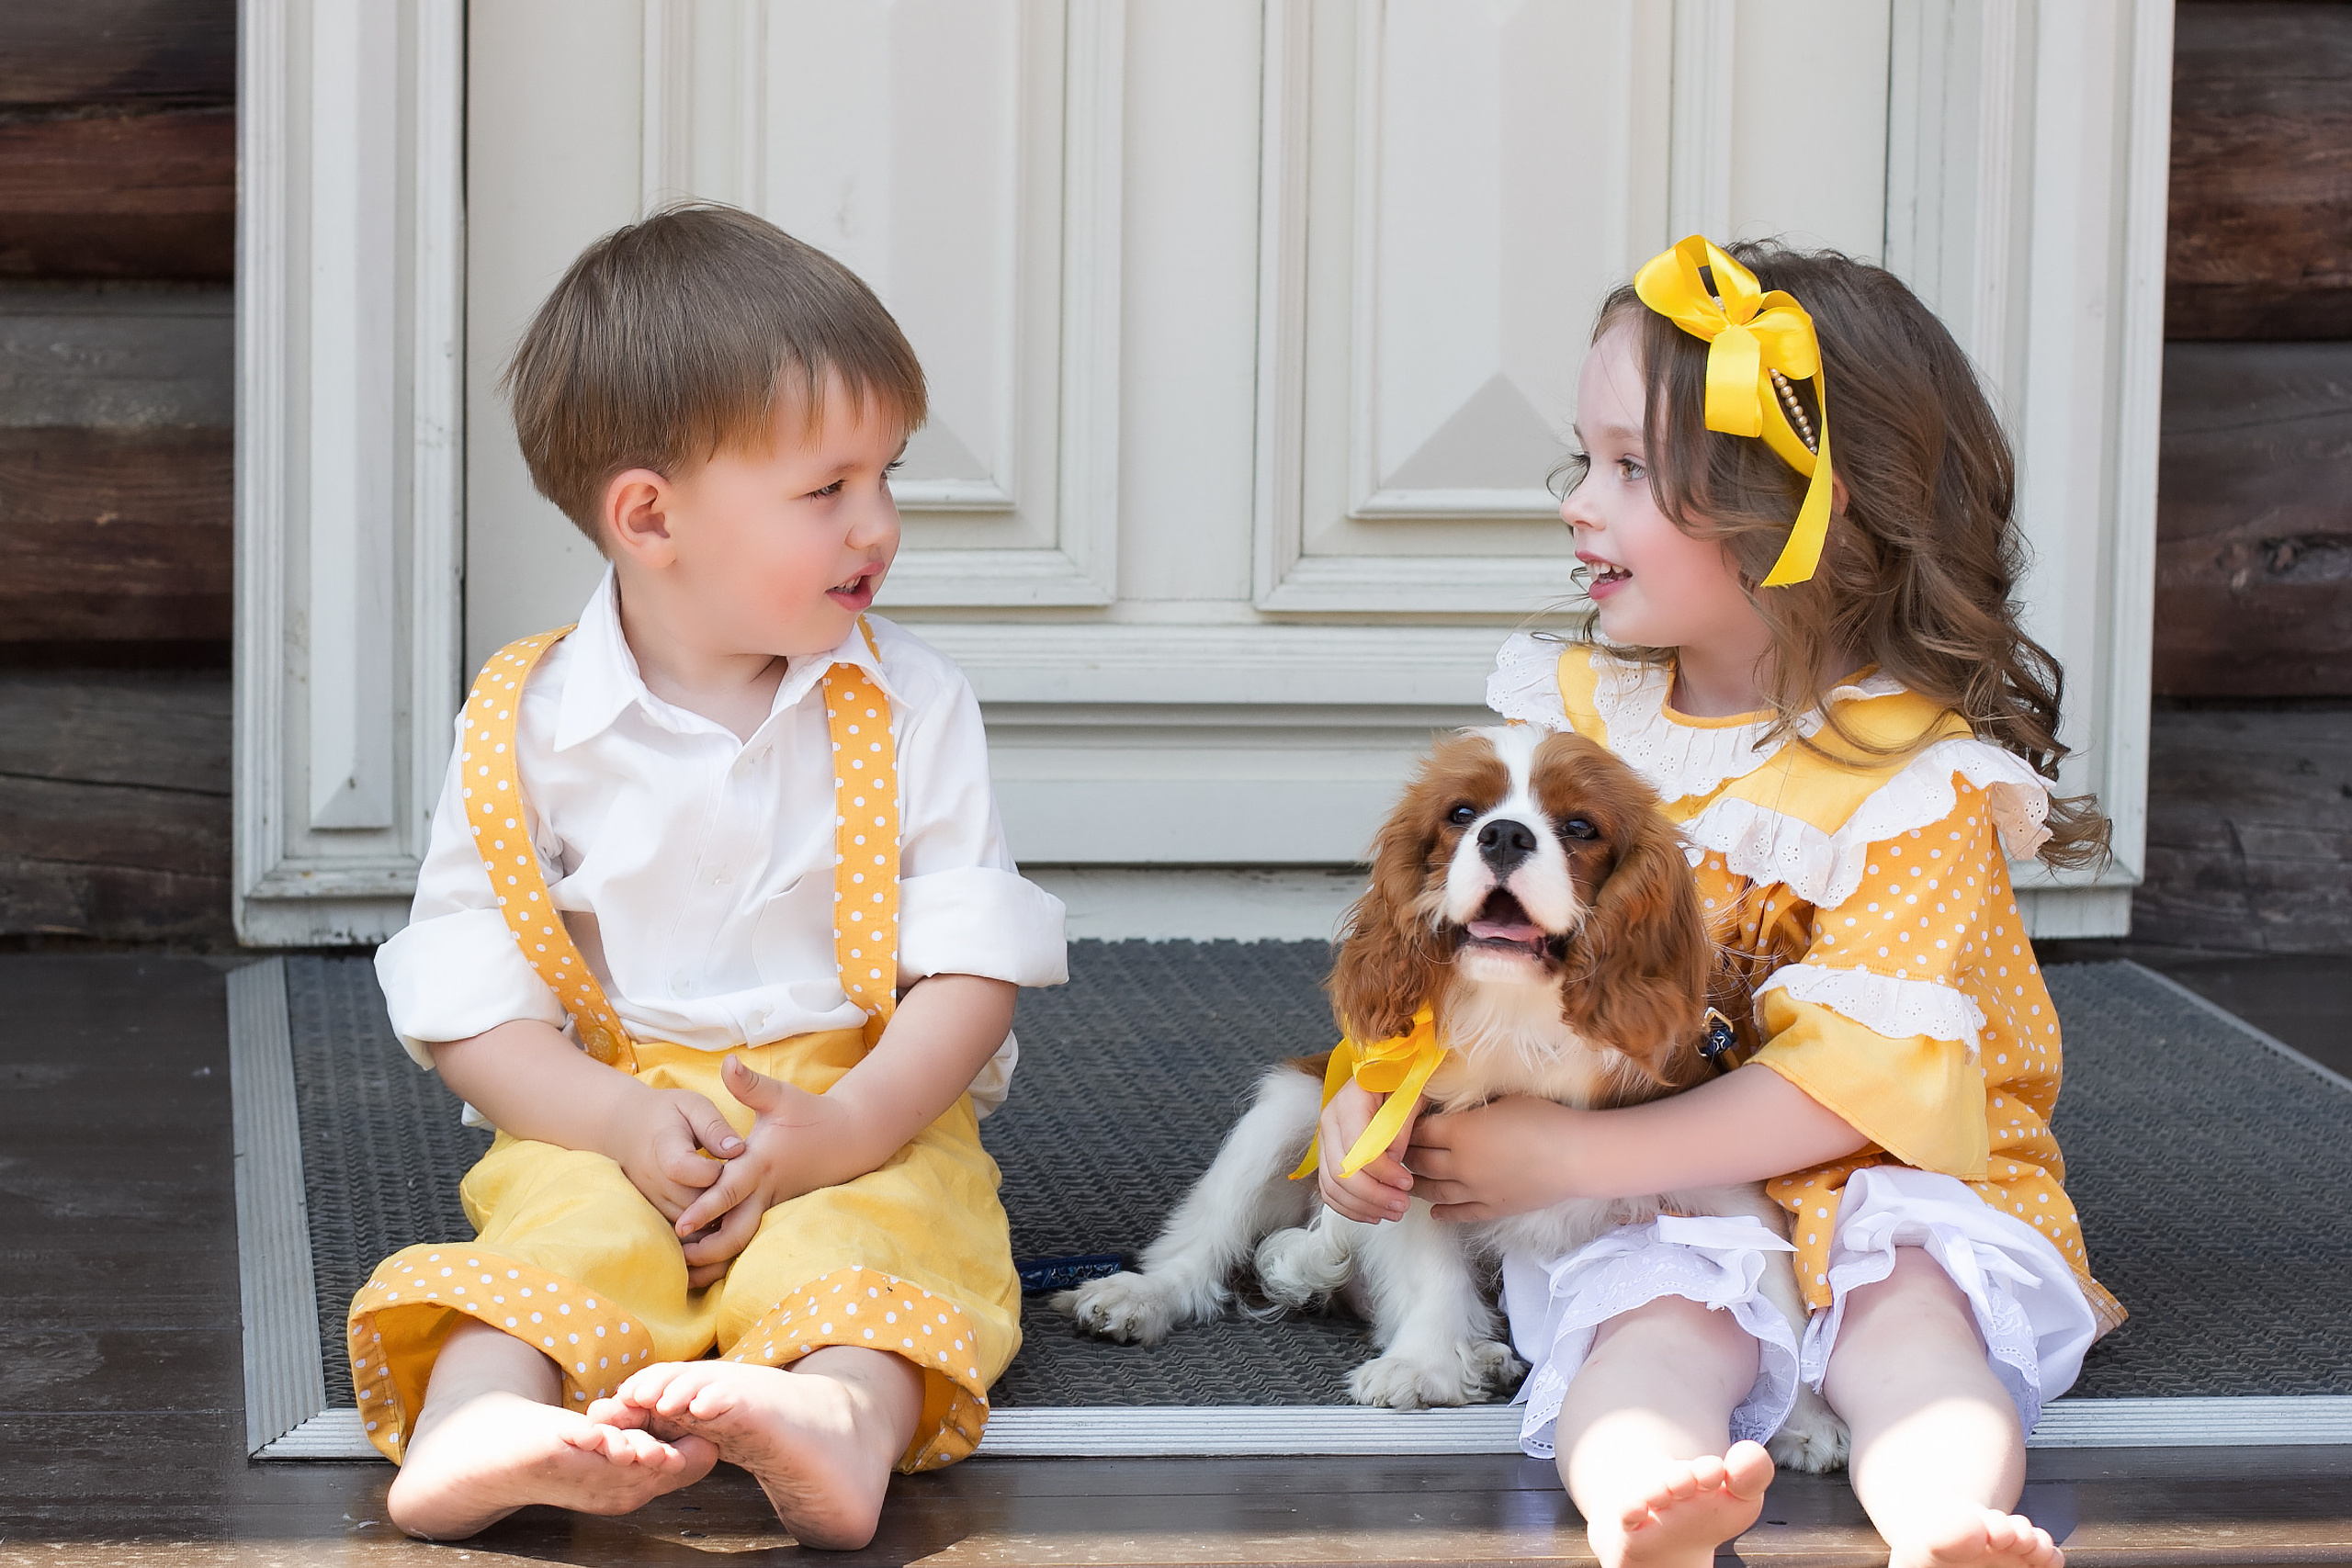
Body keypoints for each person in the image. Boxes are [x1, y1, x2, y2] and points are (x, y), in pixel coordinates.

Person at [1317, 237, 2120, 1568]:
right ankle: (1653, 1504)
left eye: (1631, 471)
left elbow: (1857, 1085)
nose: (1581, 502)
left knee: (1910, 1317)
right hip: (1664, 1199)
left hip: (1884, 1178)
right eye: (1586, 461)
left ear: (1812, 511)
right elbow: (1449, 947)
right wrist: (1372, 1094)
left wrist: (1573, 1159)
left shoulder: (1912, 780)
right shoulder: (1577, 723)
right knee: (1648, 1332)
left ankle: (1945, 1518)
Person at [349, 205, 1067, 1549]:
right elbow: (468, 1002)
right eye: (828, 491)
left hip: (854, 1095)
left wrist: (847, 1129)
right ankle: (480, 1427)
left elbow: (973, 968)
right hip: (609, 1105)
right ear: (648, 517)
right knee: (553, 1238)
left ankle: (836, 1423)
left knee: (883, 1237)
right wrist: (615, 1123)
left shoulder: (911, 704)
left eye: (885, 478)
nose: (880, 526)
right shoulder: (524, 726)